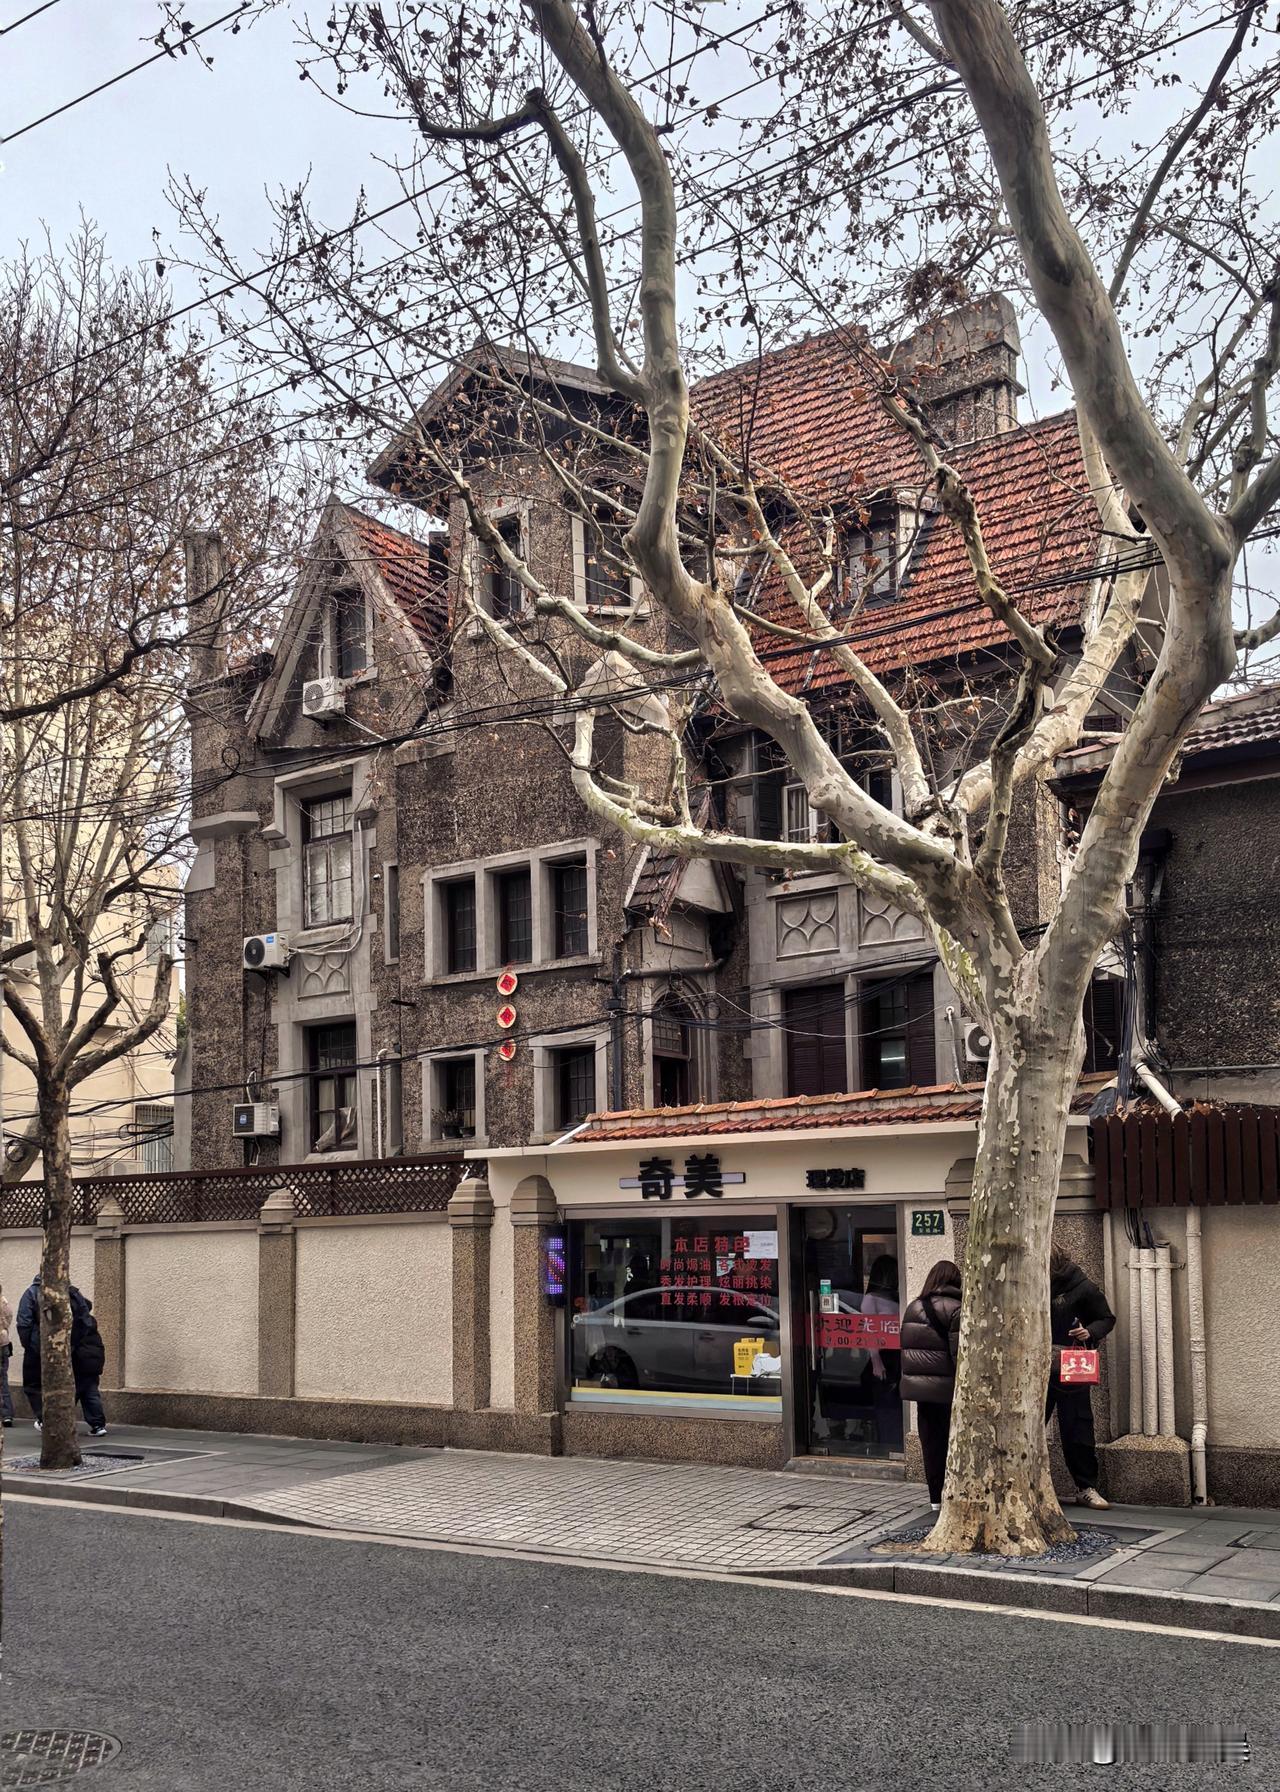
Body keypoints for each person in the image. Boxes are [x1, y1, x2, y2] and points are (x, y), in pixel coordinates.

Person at [1047, 1247, 1115, 1510]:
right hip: (1037, 1362)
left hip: (1071, 1362)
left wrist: (1089, 1332)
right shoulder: (1030, 1283)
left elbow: (1106, 1318)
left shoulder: (1082, 1287)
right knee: (1030, 1425)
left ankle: (1086, 1485)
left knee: (1077, 1425)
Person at [899, 1260, 963, 1510]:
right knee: (952, 1442)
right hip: (948, 1389)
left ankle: (935, 1498)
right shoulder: (957, 1309)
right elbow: (959, 1355)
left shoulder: (913, 1307)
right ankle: (953, 1493)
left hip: (922, 1391)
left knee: (931, 1444)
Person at [16, 1274, 108, 1436]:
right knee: (76, 1387)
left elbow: (24, 1322)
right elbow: (85, 1322)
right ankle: (92, 1424)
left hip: (40, 1347)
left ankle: (47, 1419)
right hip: (68, 1349)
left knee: (33, 1384)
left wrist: (31, 1345)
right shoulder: (73, 1293)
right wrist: (72, 1344)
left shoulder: (32, 1292)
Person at [0, 1283, 14, 1425]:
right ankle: (6, 1414)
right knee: (3, 1379)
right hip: (3, 1342)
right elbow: (8, 1318)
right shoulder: (4, 1302)